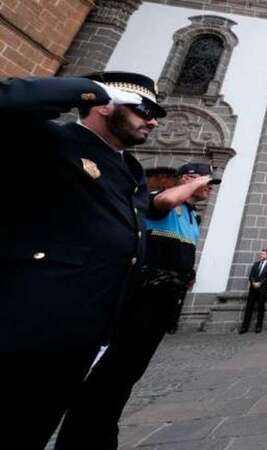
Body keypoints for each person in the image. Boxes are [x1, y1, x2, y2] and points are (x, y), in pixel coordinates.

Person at [0, 72, 164, 448]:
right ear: (105, 105)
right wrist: (90, 90)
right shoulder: (50, 142)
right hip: (28, 325)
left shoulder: (130, 170)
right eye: (144, 108)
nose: (153, 120)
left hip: (84, 331)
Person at [56, 162, 218, 448]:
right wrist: (190, 183)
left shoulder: (192, 216)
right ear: (187, 179)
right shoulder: (160, 199)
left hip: (164, 301)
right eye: (205, 181)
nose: (209, 187)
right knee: (113, 371)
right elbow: (165, 200)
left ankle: (104, 432)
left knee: (129, 373)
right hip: (142, 299)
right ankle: (82, 437)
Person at [240, 249, 267, 333]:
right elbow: (251, 275)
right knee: (249, 308)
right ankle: (244, 327)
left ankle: (258, 327)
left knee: (261, 308)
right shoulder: (256, 264)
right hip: (253, 289)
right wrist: (253, 282)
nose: (261, 255)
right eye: (261, 254)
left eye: (263, 254)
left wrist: (260, 283)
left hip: (262, 290)